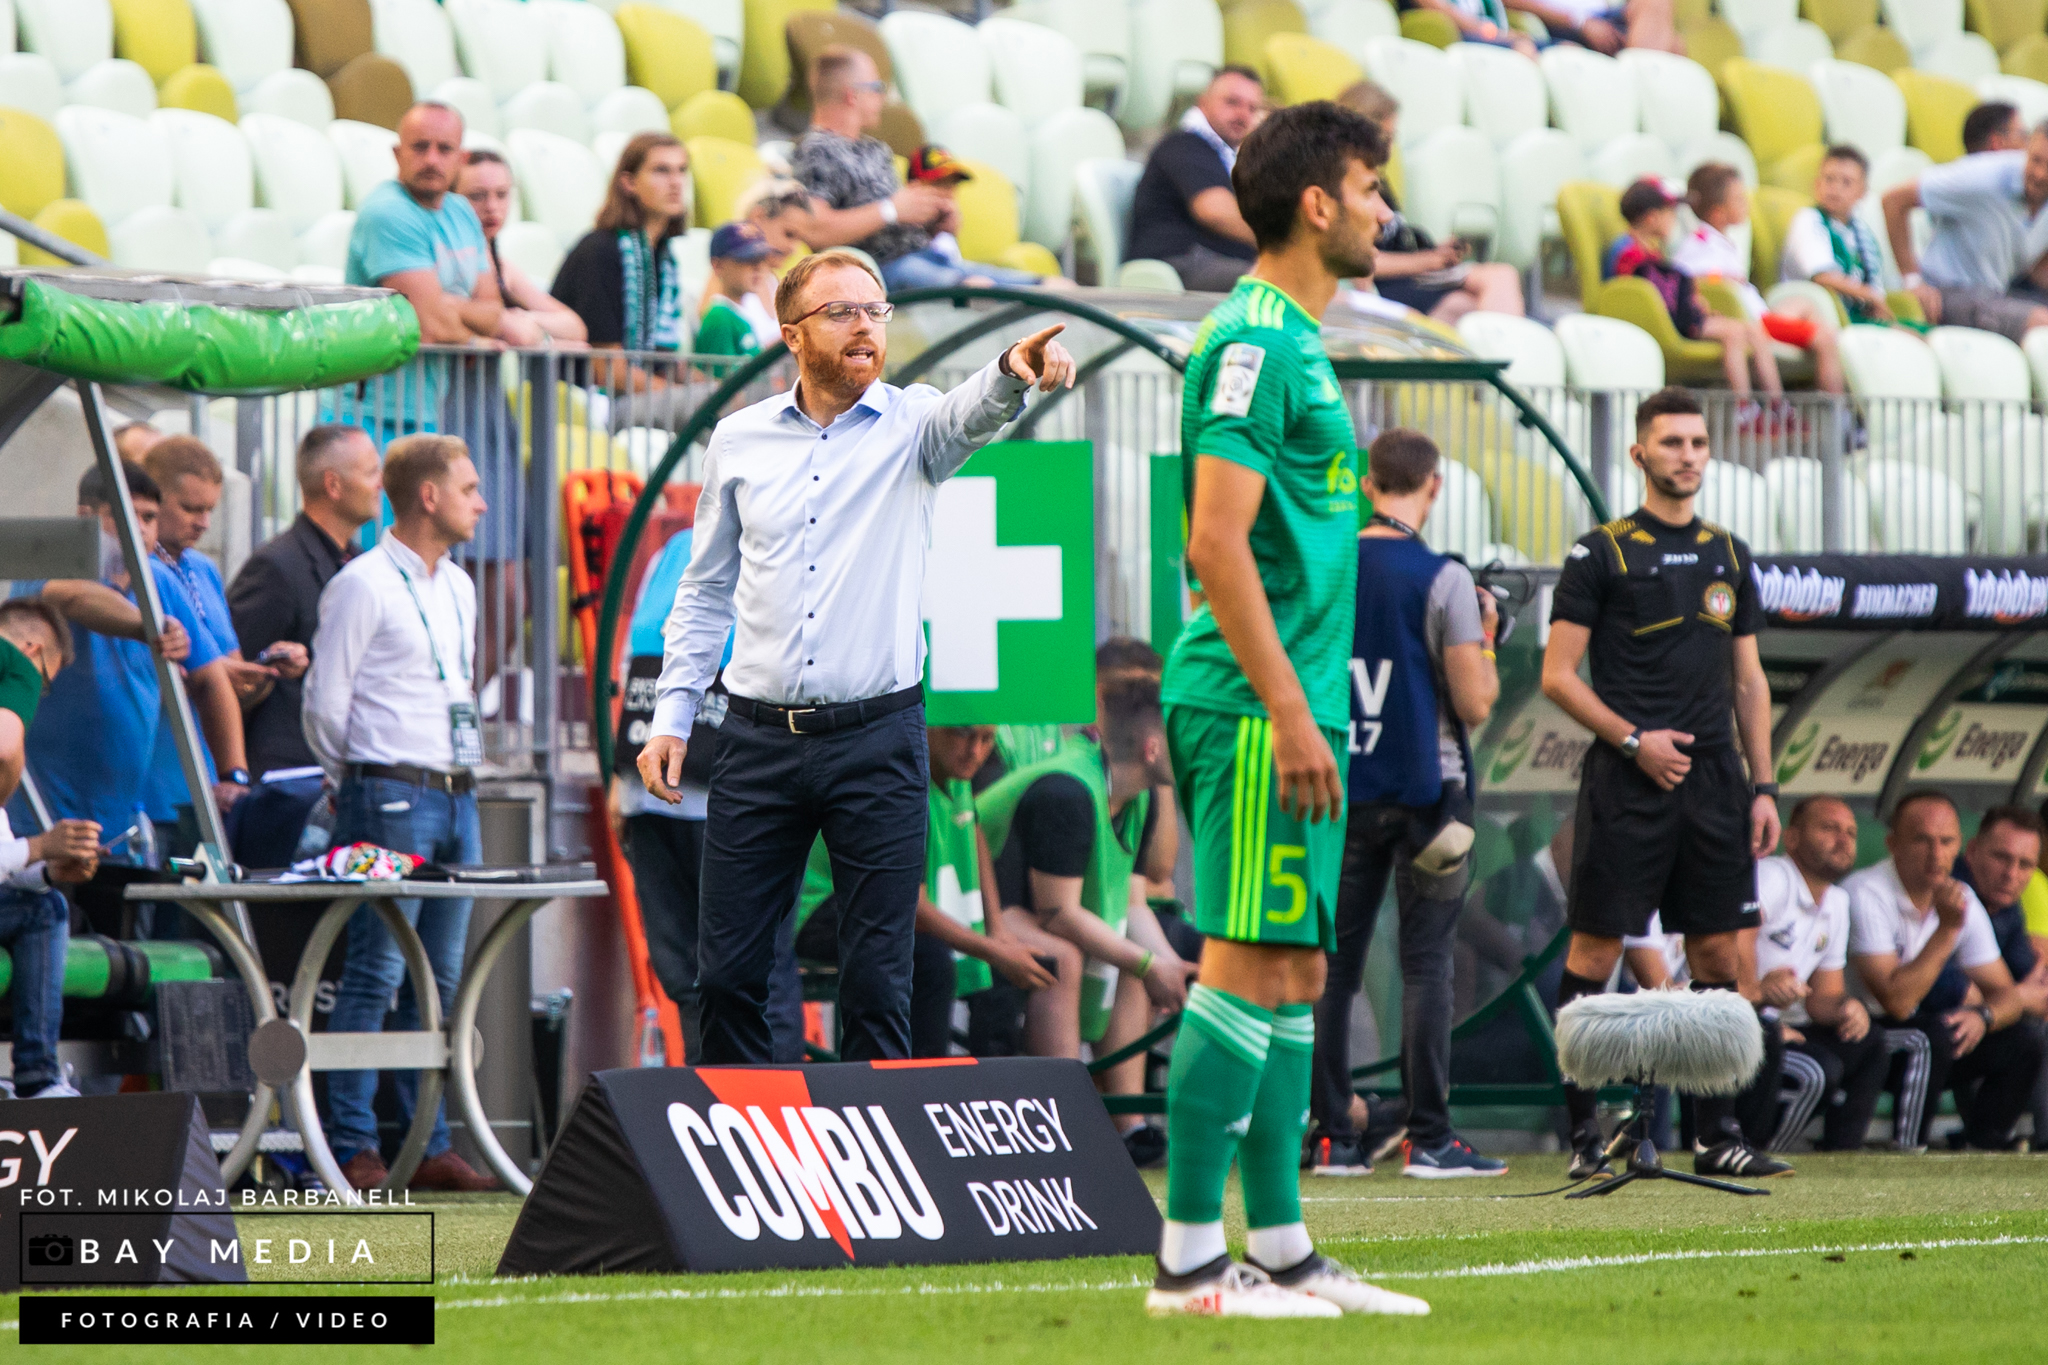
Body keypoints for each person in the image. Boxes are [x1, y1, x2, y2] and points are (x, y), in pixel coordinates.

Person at [635, 250, 1075, 1065]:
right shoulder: (738, 439)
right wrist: (672, 716)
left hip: (877, 739)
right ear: (792, 334)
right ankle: (747, 1137)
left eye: (875, 310)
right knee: (726, 975)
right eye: (840, 312)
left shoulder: (914, 423)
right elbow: (704, 590)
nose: (865, 325)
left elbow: (969, 414)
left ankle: (879, 1143)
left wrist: (1011, 371)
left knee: (879, 981)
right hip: (755, 740)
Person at [1150, 99, 1427, 1319]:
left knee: (1298, 967)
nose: (1383, 212)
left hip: (1294, 705)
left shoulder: (1299, 342)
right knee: (1241, 960)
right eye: (1369, 189)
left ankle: (1278, 1246)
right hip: (1253, 706)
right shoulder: (1252, 344)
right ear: (1317, 204)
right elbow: (1215, 545)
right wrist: (1290, 711)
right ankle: (1186, 1264)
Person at [1542, 386, 1790, 1182]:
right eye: (1672, 441)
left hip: (1716, 783)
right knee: (1597, 945)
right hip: (1628, 778)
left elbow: (1748, 681)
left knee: (1718, 949)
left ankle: (1716, 1134)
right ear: (1639, 452)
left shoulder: (1730, 553)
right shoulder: (1600, 552)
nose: (1687, 454)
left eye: (1698, 442)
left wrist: (1764, 786)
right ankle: (1584, 1135)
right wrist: (1633, 740)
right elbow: (1556, 676)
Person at [1307, 428, 1505, 1179]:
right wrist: (1486, 636)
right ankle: (1430, 1138)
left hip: (1337, 788)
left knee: (1335, 967)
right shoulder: (1443, 577)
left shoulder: (1326, 564)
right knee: (1426, 966)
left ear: (1366, 484)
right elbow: (1475, 702)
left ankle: (1334, 1136)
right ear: (1435, 486)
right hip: (1428, 798)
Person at [302, 435, 498, 1192]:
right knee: (377, 966)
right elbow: (325, 704)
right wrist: (353, 781)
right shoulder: (362, 584)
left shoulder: (460, 586)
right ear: (428, 495)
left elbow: (457, 689)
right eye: (470, 488)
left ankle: (428, 1143)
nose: (482, 503)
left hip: (457, 793)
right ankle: (355, 1144)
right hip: (386, 794)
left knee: (441, 976)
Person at [977, 674, 1195, 1152]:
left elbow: (1132, 904)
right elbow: (1058, 914)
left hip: (1032, 909)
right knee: (1062, 959)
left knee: (1135, 961)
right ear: (1153, 749)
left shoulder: (1136, 796)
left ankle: (1128, 1126)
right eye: (1183, 736)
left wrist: (1167, 964)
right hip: (978, 905)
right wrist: (1148, 963)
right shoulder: (1068, 791)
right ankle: (1066, 1127)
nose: (1194, 748)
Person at [19, 464, 208, 850]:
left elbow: (210, 671)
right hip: (45, 816)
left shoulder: (160, 580)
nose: (138, 528)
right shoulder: (51, 561)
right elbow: (74, 597)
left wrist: (233, 773)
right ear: (85, 517)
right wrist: (148, 628)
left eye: (149, 517)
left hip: (124, 820)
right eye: (122, 515)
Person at [1845, 791, 2045, 1152]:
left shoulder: (1962, 895)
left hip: (1927, 1037)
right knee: (1931, 1034)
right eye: (1922, 840)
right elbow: (1897, 1003)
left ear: (1959, 847)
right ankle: (1909, 1149)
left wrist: (1983, 1016)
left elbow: (2006, 996)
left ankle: (1985, 1144)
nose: (1936, 854)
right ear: (1893, 844)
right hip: (1865, 1037)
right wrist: (1947, 930)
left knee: (2022, 1039)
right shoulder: (1866, 892)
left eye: (1946, 841)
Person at [792, 48, 1039, 291]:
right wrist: (891, 209)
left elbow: (893, 221)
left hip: (925, 260)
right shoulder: (817, 148)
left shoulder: (875, 149)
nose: (882, 98)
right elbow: (815, 229)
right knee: (980, 290)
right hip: (882, 270)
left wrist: (935, 225)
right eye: (877, 88)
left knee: (1045, 286)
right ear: (852, 96)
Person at [229, 426, 381, 780]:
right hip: (288, 775)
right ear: (333, 485)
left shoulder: (362, 565)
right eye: (371, 472)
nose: (381, 484)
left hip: (342, 767)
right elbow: (232, 674)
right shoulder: (276, 566)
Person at [344, 102, 501, 436]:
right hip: (364, 415)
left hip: (427, 412)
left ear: (461, 159)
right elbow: (431, 326)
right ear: (397, 153)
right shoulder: (387, 213)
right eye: (420, 147)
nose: (431, 159)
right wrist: (473, 339)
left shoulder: (462, 212)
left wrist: (448, 307)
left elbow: (493, 312)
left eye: (444, 149)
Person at [1748, 797, 1889, 1151]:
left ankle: (1843, 1156)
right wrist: (1759, 991)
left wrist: (1846, 1007)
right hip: (1741, 1021)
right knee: (1817, 1069)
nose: (1843, 840)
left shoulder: (1837, 901)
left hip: (1789, 1026)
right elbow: (1731, 943)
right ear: (1792, 838)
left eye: (1851, 833)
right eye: (1829, 828)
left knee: (1871, 1043)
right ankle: (1756, 1149)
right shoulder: (1772, 876)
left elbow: (1823, 996)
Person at [0, 598, 98, 1099]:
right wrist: (39, 844)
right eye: (42, 684)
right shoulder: (14, 666)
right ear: (32, 651)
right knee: (46, 913)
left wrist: (47, 865)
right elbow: (4, 750)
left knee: (44, 901)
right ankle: (37, 1078)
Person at [143, 438, 267, 824]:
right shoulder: (141, 571)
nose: (204, 523)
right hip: (153, 779)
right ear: (153, 499)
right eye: (190, 508)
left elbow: (228, 681)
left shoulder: (203, 569)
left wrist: (262, 673)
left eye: (210, 509)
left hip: (204, 777)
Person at [1335, 84, 1525, 323]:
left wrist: (1434, 253)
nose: (1390, 147)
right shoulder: (1346, 182)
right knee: (1490, 286)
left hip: (1411, 275)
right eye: (1387, 137)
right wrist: (1427, 261)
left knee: (1492, 289)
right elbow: (1360, 258)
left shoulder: (1378, 181)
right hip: (1394, 284)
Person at [1612, 180, 1786, 414]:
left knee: (1751, 330)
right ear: (1652, 218)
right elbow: (1639, 297)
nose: (1674, 220)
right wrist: (1690, 306)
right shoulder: (1629, 253)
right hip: (1670, 325)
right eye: (1670, 213)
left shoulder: (1651, 252)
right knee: (1735, 333)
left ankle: (1777, 407)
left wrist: (1694, 303)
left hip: (1680, 320)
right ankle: (1744, 410)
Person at [1671, 163, 1846, 394]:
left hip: (1760, 316)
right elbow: (1688, 276)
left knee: (1805, 305)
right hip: (1755, 323)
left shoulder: (1719, 241)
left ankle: (1812, 382)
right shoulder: (1701, 243)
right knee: (1826, 338)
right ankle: (1835, 410)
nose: (1746, 203)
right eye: (1738, 199)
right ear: (1718, 213)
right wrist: (1723, 279)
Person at [1881, 101, 2048, 341]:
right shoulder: (1983, 176)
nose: (2040, 174)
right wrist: (1912, 279)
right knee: (2041, 323)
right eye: (2035, 160)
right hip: (1949, 293)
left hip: (2001, 293)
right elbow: (1894, 200)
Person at [550, 133, 694, 410]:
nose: (676, 182)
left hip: (641, 399)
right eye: (661, 171)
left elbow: (664, 362)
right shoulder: (600, 251)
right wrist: (693, 399)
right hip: (594, 405)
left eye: (682, 170)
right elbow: (607, 370)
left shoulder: (665, 259)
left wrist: (720, 388)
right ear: (629, 183)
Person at [1953, 805, 2048, 1145]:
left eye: (2025, 864)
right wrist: (2017, 997)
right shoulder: (1952, 892)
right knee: (2018, 1031)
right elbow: (1959, 993)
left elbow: (2037, 986)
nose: (2012, 874)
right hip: (1923, 1027)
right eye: (2001, 858)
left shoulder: (2006, 905)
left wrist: (2014, 998)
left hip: (1977, 1024)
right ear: (1972, 851)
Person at [1128, 67, 1264, 293]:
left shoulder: (1226, 156)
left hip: (1213, 262)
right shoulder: (1185, 145)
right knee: (1284, 283)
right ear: (1202, 103)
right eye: (1232, 102)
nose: (1243, 115)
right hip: (1179, 262)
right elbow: (1215, 212)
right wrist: (1283, 241)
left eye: (1252, 108)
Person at [456, 148, 589, 349]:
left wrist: (523, 319)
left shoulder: (503, 267)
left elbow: (575, 327)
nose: (492, 206)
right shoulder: (446, 262)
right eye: (476, 196)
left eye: (501, 194)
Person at [1781, 146, 1898, 326]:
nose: (1835, 188)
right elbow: (1822, 276)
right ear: (1817, 184)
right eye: (1829, 179)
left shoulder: (1862, 232)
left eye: (1846, 182)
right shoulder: (1808, 219)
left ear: (1862, 192)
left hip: (1857, 317)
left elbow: (1876, 283)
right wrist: (1870, 296)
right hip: (1819, 317)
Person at [694, 222, 780, 360]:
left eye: (762, 259)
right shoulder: (719, 317)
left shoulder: (740, 313)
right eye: (747, 259)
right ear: (718, 265)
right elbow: (721, 373)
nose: (758, 267)